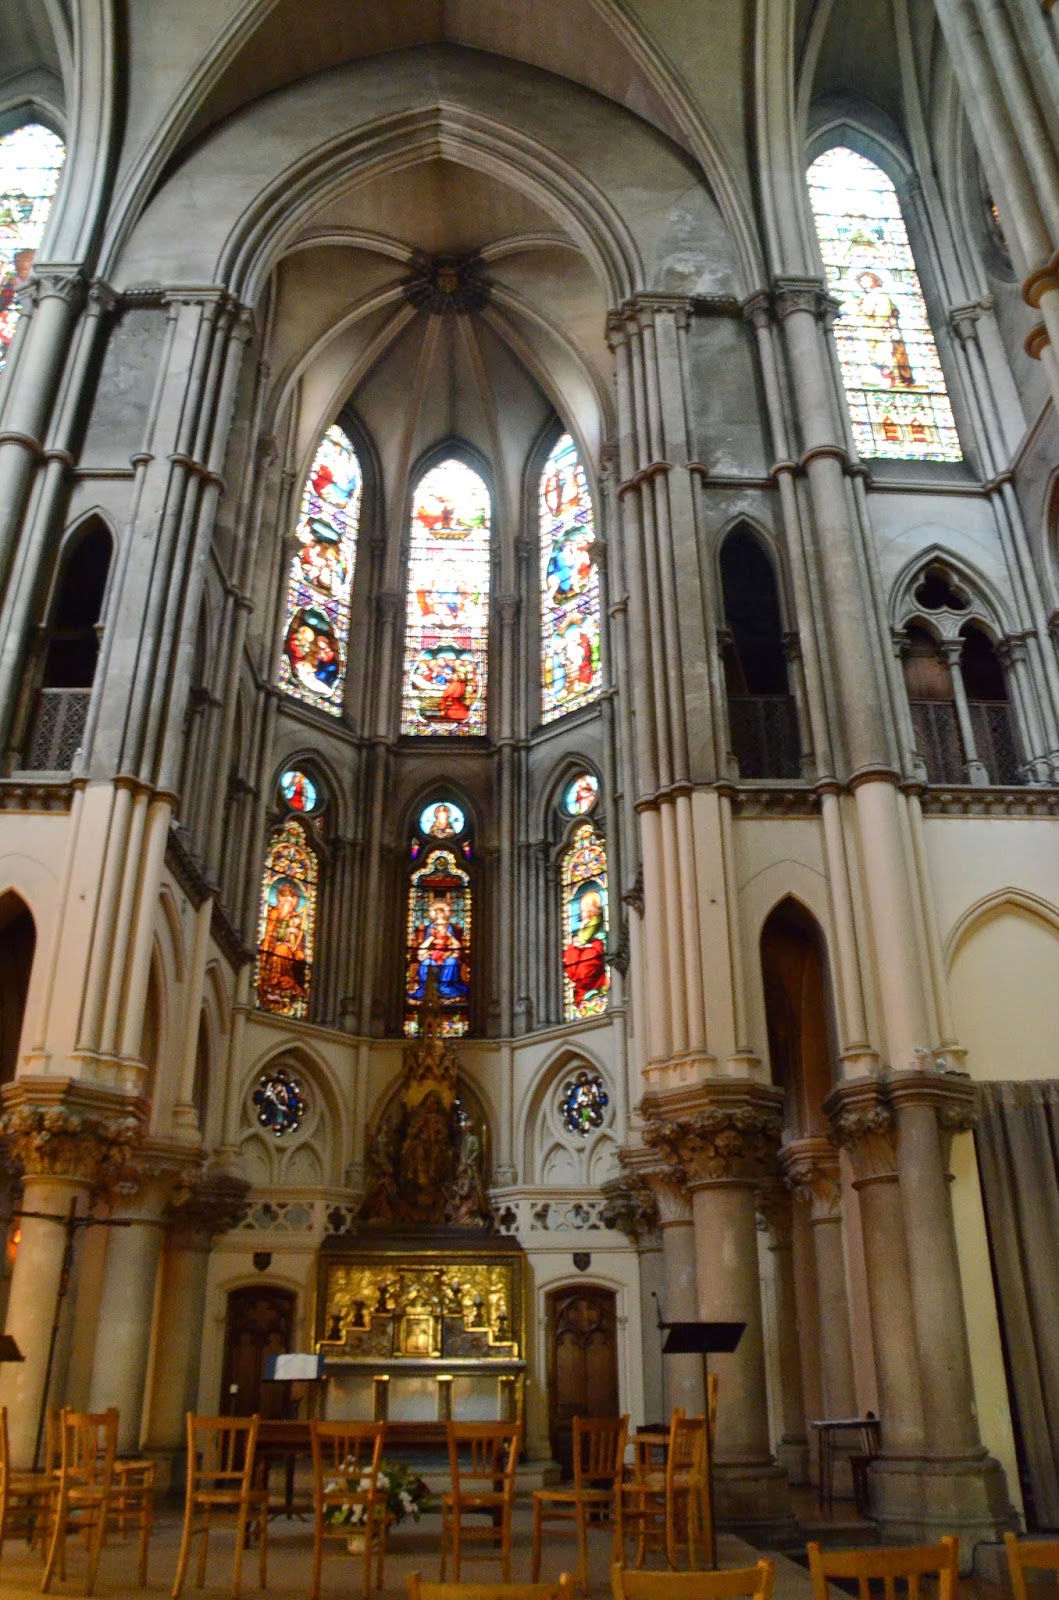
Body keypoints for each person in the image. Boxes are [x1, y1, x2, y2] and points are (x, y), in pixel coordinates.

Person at [257, 878, 308, 1011]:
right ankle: (274, 979)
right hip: (276, 946)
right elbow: (269, 934)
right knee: (281, 950)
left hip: (290, 950)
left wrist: (297, 947)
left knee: (288, 952)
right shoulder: (274, 914)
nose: (287, 905)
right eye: (284, 901)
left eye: (291, 902)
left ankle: (288, 981)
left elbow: (299, 943)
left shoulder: (296, 920)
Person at [410, 898, 468, 1002]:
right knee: (426, 962)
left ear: (444, 914)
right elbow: (426, 944)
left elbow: (453, 944)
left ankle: (446, 989)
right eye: (436, 913)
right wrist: (431, 942)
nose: (438, 915)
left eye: (440, 913)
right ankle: (427, 989)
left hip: (447, 954)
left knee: (452, 962)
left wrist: (448, 951)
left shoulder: (450, 927)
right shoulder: (431, 927)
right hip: (433, 954)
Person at [563, 887, 608, 1011]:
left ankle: (586, 985)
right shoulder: (584, 923)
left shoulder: (596, 920)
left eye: (589, 906)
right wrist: (577, 942)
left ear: (595, 908)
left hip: (596, 944)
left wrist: (581, 941)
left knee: (589, 958)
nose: (585, 910)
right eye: (583, 908)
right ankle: (579, 983)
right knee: (570, 951)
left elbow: (585, 937)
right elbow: (581, 938)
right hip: (583, 945)